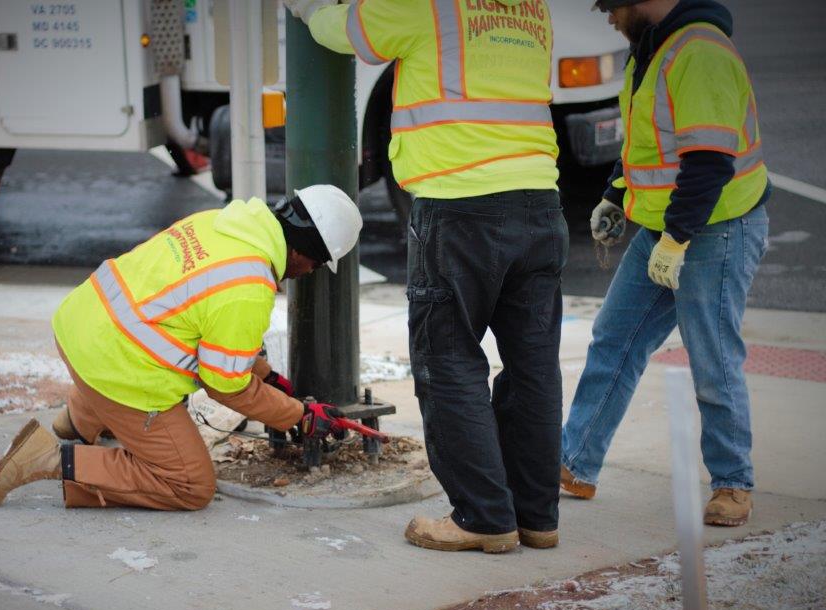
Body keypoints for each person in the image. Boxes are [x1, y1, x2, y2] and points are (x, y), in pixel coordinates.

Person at [286, 0, 568, 552]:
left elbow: (348, 30)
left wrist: (308, 10)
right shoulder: (532, 8)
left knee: (449, 361)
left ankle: (485, 519)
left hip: (460, 205)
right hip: (540, 201)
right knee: (534, 366)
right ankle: (537, 517)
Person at [0, 185, 362, 510]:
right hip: (118, 366)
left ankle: (79, 418)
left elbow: (206, 323)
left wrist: (270, 379)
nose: (309, 273)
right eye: (316, 264)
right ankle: (49, 459)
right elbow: (226, 385)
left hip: (82, 326)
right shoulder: (249, 286)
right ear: (303, 250)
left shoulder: (220, 222)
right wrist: (299, 416)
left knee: (131, 353)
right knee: (190, 485)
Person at [561, 0, 770, 527]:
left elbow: (709, 164)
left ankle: (732, 482)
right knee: (615, 339)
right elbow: (645, 142)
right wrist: (614, 193)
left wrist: (676, 241)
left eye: (612, 7)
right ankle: (574, 464)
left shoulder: (698, 53)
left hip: (717, 226)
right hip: (666, 226)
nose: (607, 17)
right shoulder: (653, 49)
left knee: (712, 355)